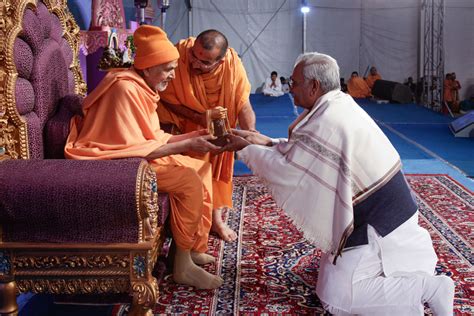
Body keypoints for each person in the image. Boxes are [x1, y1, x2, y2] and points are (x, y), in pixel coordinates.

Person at [223, 52, 455, 315]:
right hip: (384, 213)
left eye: (295, 82)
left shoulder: (329, 119)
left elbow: (290, 171)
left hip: (378, 226)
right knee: (327, 280)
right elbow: (302, 153)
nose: (291, 87)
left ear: (314, 86)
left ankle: (428, 289)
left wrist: (244, 149)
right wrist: (259, 140)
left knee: (336, 300)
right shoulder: (337, 105)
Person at [65, 25, 223, 289]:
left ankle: (190, 247)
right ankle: (182, 266)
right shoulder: (125, 90)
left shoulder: (142, 87)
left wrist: (195, 137)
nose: (173, 76)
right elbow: (133, 149)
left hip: (135, 155)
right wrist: (188, 142)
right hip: (115, 164)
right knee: (188, 180)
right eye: (168, 69)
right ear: (149, 67)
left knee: (201, 168)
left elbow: (153, 138)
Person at [156, 29, 257, 242]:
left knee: (218, 168)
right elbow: (166, 96)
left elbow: (243, 103)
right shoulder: (180, 53)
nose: (194, 64)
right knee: (192, 175)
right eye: (194, 55)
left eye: (205, 63)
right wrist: (197, 117)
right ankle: (186, 225)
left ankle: (216, 220)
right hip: (183, 125)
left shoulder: (232, 65)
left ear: (220, 62)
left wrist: (251, 138)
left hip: (220, 124)